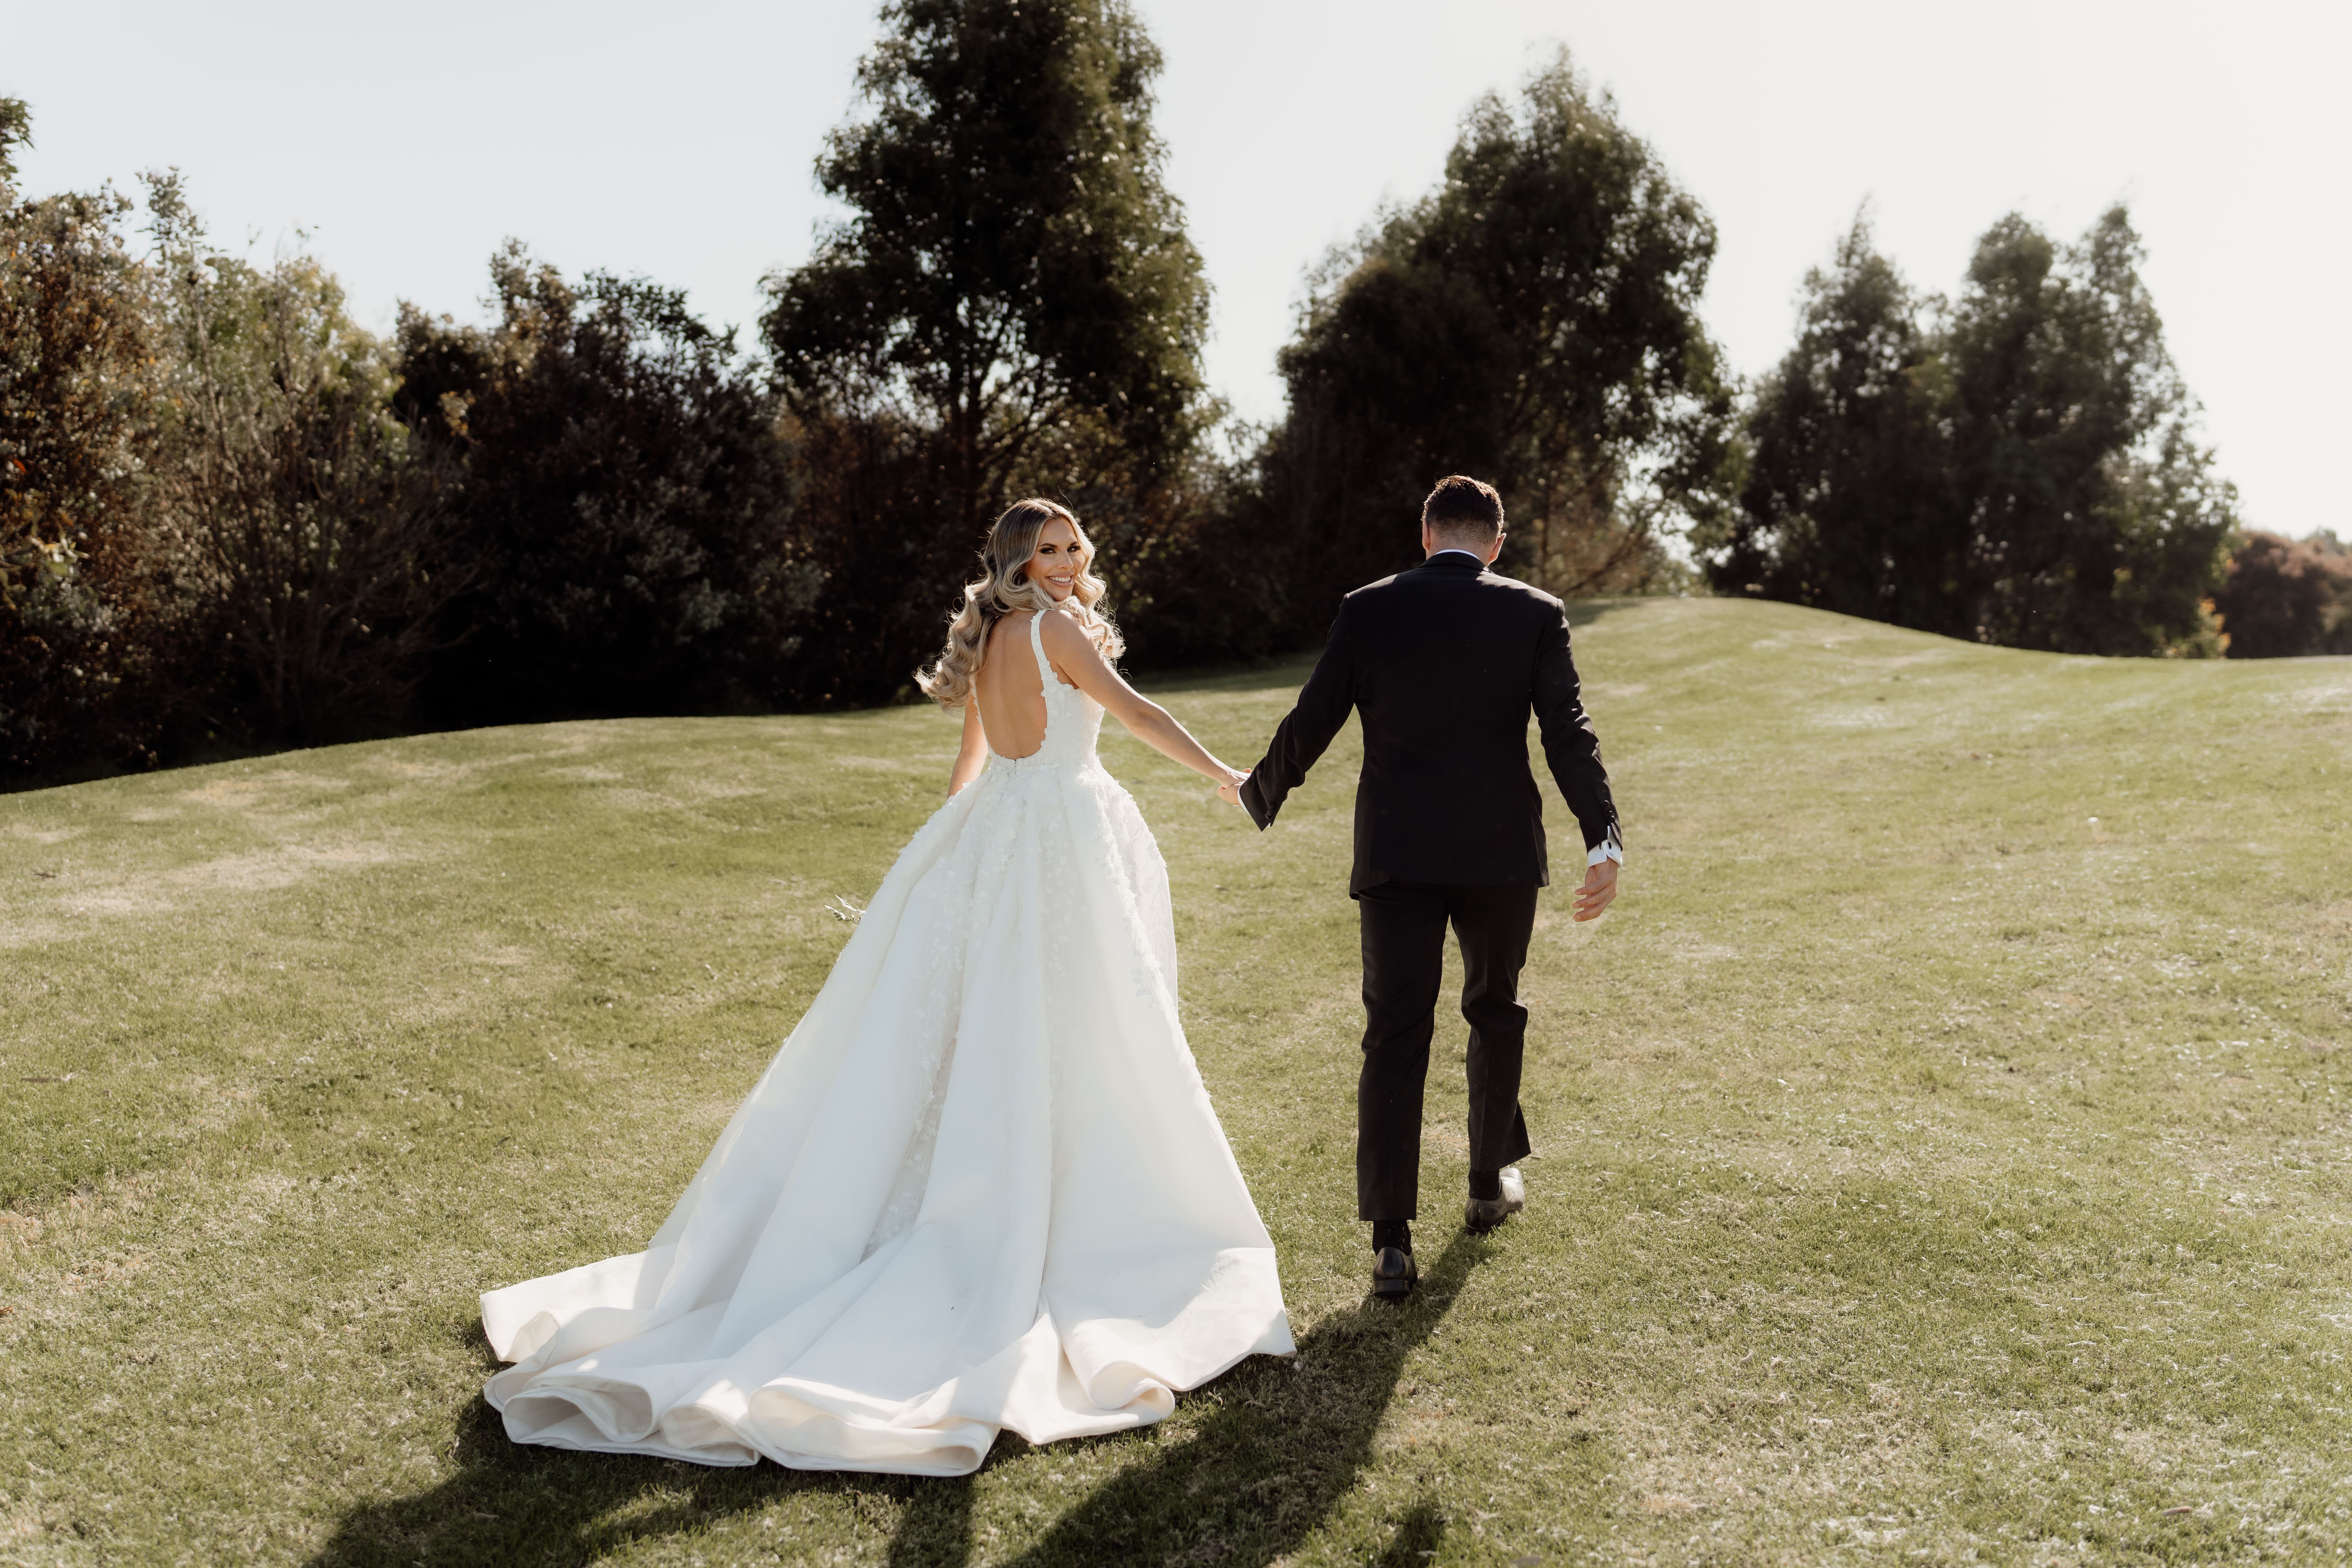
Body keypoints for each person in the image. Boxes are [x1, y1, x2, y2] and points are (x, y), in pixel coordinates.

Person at [480, 498, 1293, 1476]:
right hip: (1059, 839)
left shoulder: (997, 632)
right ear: (1014, 562)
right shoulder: (1055, 630)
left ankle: (1005, 1179)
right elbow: (1131, 712)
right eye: (1047, 550)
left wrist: (954, 856)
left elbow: (971, 763)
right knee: (1086, 1032)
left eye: (1074, 546)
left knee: (1004, 1031)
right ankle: (1059, 1211)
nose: (1068, 561)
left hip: (1000, 833)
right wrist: (1222, 772)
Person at [1236, 475, 1621, 1300]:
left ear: (1423, 534)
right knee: (1494, 1009)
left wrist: (1258, 790)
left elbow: (1313, 716)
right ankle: (1485, 1187)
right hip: (1498, 855)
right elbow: (1568, 731)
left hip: (1396, 856)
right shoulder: (1534, 612)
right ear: (1496, 541)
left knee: (1394, 1034)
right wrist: (1603, 836)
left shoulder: (1368, 607)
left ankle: (1390, 1244)